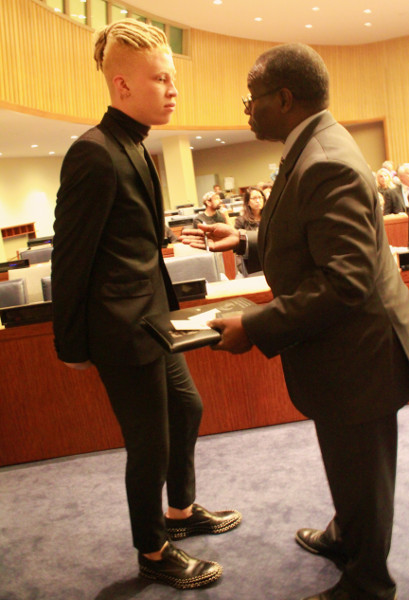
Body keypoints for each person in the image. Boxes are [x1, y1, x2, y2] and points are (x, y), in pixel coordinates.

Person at [181, 42, 409, 600]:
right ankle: (345, 536)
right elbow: (308, 235)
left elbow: (344, 281)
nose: (246, 109)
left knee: (361, 469)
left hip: (360, 352)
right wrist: (247, 241)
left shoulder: (325, 159)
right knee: (347, 462)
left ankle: (367, 585)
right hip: (344, 348)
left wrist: (255, 326)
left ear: (284, 99)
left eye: (250, 98)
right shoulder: (311, 144)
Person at [51, 19, 241, 590]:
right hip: (121, 330)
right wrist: (71, 346)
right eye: (161, 79)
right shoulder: (93, 153)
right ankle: (153, 550)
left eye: (172, 78)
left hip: (155, 322)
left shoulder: (133, 143)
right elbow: (71, 258)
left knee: (188, 410)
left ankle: (179, 512)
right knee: (149, 443)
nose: (173, 90)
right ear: (123, 85)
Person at [234, 186, 265, 276]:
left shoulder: (269, 218)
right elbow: (238, 247)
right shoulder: (241, 221)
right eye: (254, 198)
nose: (258, 201)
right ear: (248, 202)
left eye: (260, 197)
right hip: (250, 261)